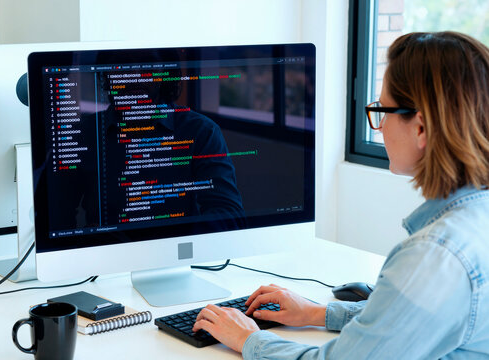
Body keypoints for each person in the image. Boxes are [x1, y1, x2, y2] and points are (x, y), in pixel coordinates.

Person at [192, 31, 489, 358]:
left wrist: (248, 339)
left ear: (420, 128)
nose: (379, 126)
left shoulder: (434, 257)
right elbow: (410, 321)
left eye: (382, 110)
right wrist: (318, 313)